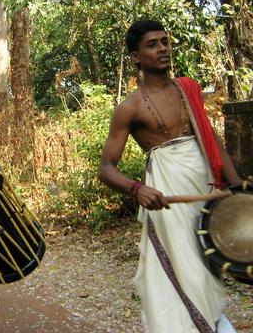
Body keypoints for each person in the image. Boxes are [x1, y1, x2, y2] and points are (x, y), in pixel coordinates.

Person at [99, 20, 242, 333]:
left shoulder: (188, 89)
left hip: (206, 193)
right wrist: (136, 189)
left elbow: (212, 141)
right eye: (152, 44)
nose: (163, 48)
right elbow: (106, 168)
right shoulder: (130, 108)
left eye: (165, 41)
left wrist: (237, 188)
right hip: (168, 202)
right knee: (183, 271)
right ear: (136, 57)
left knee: (207, 270)